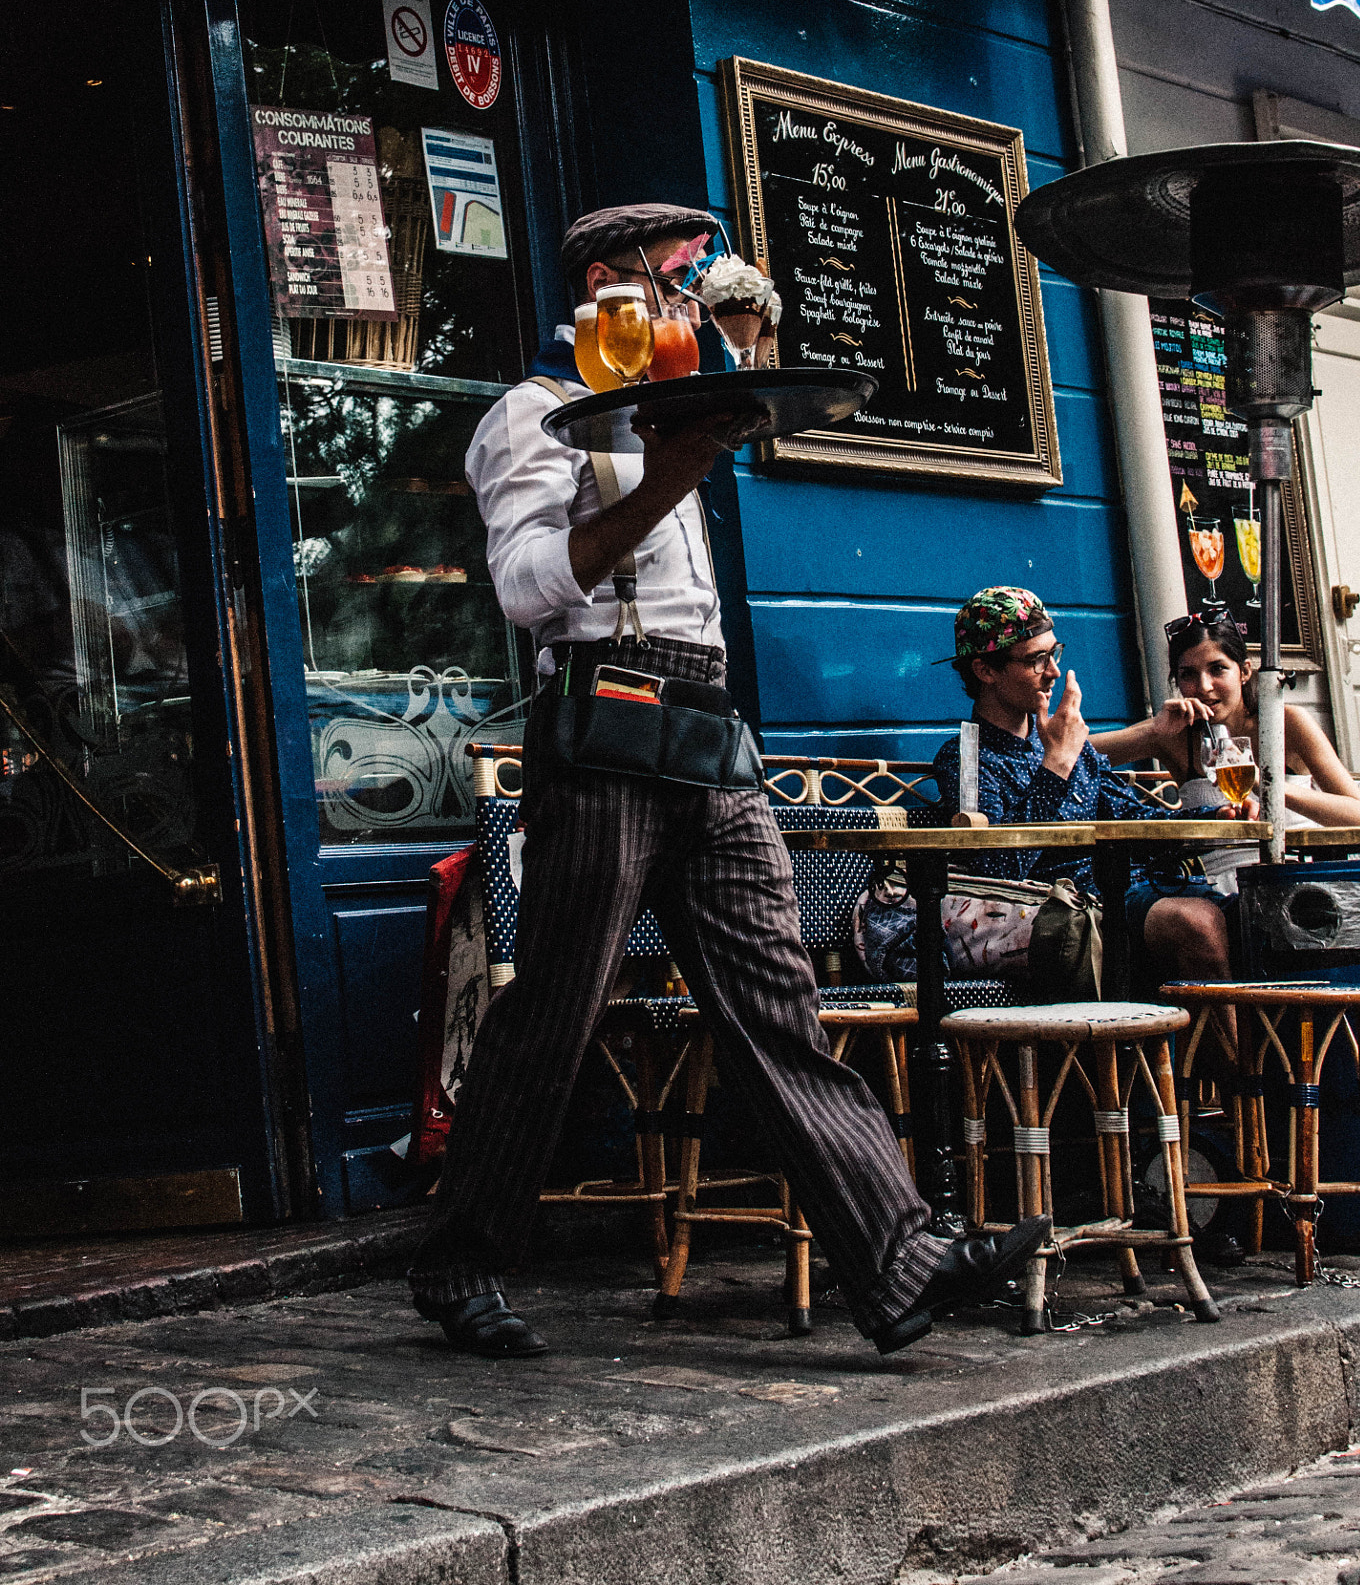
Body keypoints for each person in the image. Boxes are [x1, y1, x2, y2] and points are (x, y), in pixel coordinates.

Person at [407, 206, 1048, 1360]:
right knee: (555, 1008)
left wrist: (693, 438)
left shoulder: (674, 400)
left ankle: (897, 1261)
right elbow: (527, 589)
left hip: (706, 726)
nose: (692, 304)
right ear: (606, 283)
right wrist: (661, 479)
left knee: (776, 1002)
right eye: (674, 281)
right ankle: (460, 1259)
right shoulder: (533, 412)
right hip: (604, 724)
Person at [933, 586, 1235, 993]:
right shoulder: (966, 758)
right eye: (1036, 660)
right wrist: (1056, 764)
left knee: (1256, 916)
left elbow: (1134, 820)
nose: (1054, 672)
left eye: (1053, 654)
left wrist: (1212, 818)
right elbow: (999, 874)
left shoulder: (1065, 740)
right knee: (1193, 923)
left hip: (1129, 891)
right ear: (985, 670)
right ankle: (1236, 1060)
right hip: (1064, 914)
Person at [1093, 604, 1360, 834]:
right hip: (1213, 887)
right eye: (1188, 674)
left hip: (1296, 875)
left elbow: (1356, 814)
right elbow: (1063, 756)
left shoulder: (1285, 723)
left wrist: (1264, 782)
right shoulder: (1174, 736)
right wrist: (1153, 731)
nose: (1204, 686)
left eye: (1217, 669)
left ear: (1244, 672)